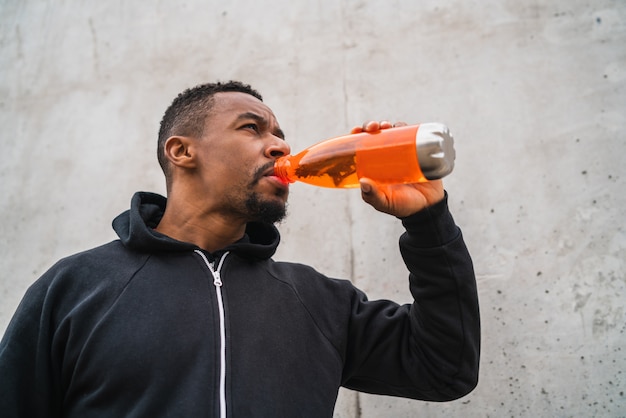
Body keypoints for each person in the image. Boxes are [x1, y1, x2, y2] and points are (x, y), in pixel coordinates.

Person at [0, 81, 480, 417]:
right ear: (181, 151)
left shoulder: (318, 300)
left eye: (279, 134)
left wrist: (427, 219)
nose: (280, 146)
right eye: (252, 128)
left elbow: (445, 368)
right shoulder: (76, 288)